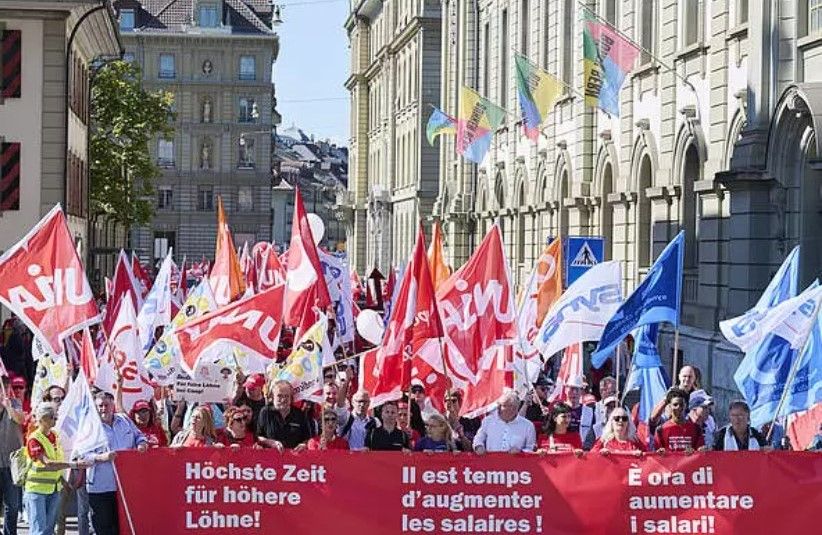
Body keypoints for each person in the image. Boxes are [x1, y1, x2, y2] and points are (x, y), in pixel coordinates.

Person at [85, 391, 148, 535]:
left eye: (106, 405)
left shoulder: (125, 420)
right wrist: (101, 457)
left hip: (125, 486)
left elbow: (139, 435)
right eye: (100, 406)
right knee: (104, 528)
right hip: (101, 487)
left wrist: (142, 444)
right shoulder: (90, 427)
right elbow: (81, 456)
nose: (103, 409)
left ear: (113, 405)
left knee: (123, 527)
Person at [24, 403, 89, 535]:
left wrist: (63, 481)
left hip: (54, 488)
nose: (56, 419)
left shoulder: (54, 435)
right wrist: (74, 465)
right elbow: (48, 463)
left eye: (56, 416)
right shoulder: (34, 439)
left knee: (48, 530)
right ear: (42, 419)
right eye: (52, 417)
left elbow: (56, 461)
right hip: (36, 491)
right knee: (39, 531)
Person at [256, 381, 314, 451]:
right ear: (273, 397)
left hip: (295, 458)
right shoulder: (265, 412)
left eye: (286, 396)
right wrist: (272, 443)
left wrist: (303, 445)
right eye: (279, 396)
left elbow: (308, 438)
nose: (283, 400)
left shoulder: (299, 414)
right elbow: (258, 437)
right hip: (270, 457)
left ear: (291, 398)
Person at [0, 377, 24, 535]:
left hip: (11, 464)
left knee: (13, 504)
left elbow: (20, 419)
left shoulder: (15, 404)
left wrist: (9, 408)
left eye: (5, 389)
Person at [654, 388, 703, 453]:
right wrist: (661, 452)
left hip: (690, 463)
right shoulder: (661, 430)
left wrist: (696, 451)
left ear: (686, 406)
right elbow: (657, 456)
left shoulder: (696, 429)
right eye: (675, 404)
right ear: (669, 406)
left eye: (681, 404)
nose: (679, 408)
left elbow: (701, 453)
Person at [564, 375, 596, 443]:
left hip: (581, 449)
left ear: (581, 391)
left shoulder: (589, 411)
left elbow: (593, 433)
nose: (574, 393)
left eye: (577, 389)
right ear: (566, 390)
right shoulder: (559, 409)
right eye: (572, 389)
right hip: (563, 447)